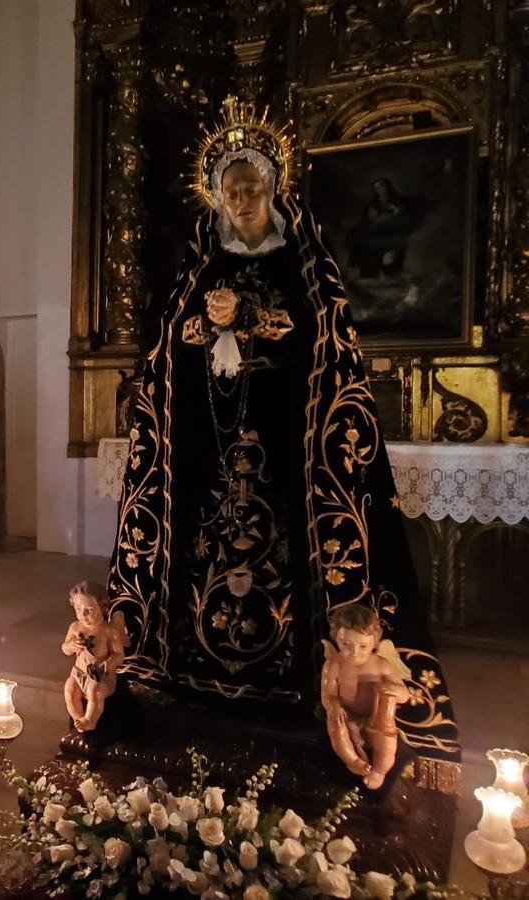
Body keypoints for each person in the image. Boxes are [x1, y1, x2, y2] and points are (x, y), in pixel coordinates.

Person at [107, 97, 458, 767]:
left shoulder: (305, 269)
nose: (241, 199)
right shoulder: (196, 270)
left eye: (253, 187)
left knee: (288, 571)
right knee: (205, 566)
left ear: (274, 190)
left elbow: (326, 348)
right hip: (207, 458)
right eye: (230, 189)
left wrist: (258, 321)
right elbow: (167, 357)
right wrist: (205, 327)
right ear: (214, 197)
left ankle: (304, 686)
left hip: (288, 456)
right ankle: (188, 674)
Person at [320, 603, 412, 789]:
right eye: (346, 645)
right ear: (336, 638)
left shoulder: (381, 665)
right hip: (347, 714)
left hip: (377, 717)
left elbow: (405, 695)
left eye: (363, 646)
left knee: (386, 741)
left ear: (374, 643)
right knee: (336, 726)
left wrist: (392, 688)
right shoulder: (333, 664)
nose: (354, 653)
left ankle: (379, 770)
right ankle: (352, 760)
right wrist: (334, 705)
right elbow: (328, 694)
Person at [61, 582, 125, 732]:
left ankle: (90, 720)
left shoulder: (109, 631)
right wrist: (71, 645)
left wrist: (109, 663)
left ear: (102, 608)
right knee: (69, 690)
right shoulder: (75, 627)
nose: (83, 615)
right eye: (78, 609)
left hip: (100, 675)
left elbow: (119, 655)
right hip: (79, 673)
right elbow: (65, 649)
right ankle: (78, 719)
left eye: (89, 610)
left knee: (95, 692)